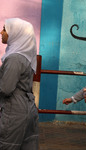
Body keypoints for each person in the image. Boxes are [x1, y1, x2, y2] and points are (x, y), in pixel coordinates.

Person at [0, 18, 38, 150]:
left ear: (15, 33)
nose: (1, 32)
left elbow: (5, 88)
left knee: (7, 145)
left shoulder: (14, 58)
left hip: (14, 110)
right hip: (27, 107)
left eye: (5, 29)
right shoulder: (25, 57)